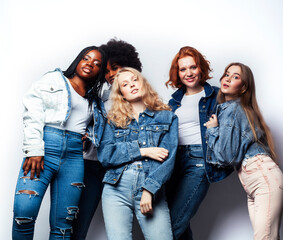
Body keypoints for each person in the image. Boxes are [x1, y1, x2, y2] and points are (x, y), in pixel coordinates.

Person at [12, 46, 107, 240]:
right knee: (24, 213)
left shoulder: (94, 99)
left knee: (64, 223)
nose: (90, 64)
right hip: (45, 148)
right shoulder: (54, 79)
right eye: (86, 58)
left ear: (100, 71)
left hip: (74, 157)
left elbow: (95, 126)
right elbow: (33, 113)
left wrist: (87, 136)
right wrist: (34, 150)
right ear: (78, 60)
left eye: (97, 63)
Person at [205, 62, 283, 240]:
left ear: (243, 88)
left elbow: (227, 156)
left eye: (236, 77)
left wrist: (213, 130)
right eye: (227, 74)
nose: (228, 78)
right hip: (256, 184)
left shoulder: (233, 110)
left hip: (263, 180)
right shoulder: (237, 110)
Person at [71, 39, 142, 240]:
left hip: (121, 168)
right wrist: (86, 136)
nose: (111, 75)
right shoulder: (96, 97)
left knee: (127, 227)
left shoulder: (139, 97)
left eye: (116, 68)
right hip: (91, 165)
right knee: (79, 222)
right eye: (107, 70)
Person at [98, 67, 178, 240]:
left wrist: (148, 190)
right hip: (115, 188)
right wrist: (144, 150)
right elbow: (106, 155)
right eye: (125, 84)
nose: (132, 85)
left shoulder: (166, 117)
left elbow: (168, 159)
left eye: (135, 80)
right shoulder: (112, 120)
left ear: (143, 83)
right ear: (122, 94)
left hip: (151, 187)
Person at [165, 46, 233, 240]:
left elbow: (236, 125)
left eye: (192, 67)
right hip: (173, 161)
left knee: (172, 223)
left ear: (200, 68)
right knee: (178, 221)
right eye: (183, 69)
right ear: (177, 73)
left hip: (198, 161)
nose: (188, 73)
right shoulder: (174, 101)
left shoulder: (218, 95)